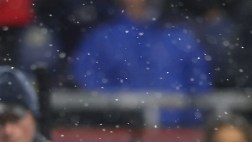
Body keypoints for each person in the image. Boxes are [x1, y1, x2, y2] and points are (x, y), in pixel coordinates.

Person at [70, 0, 212, 127]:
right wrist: (121, 106)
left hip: (178, 132)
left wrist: (188, 117)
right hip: (122, 134)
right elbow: (88, 80)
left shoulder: (180, 35)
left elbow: (200, 83)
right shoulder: (103, 37)